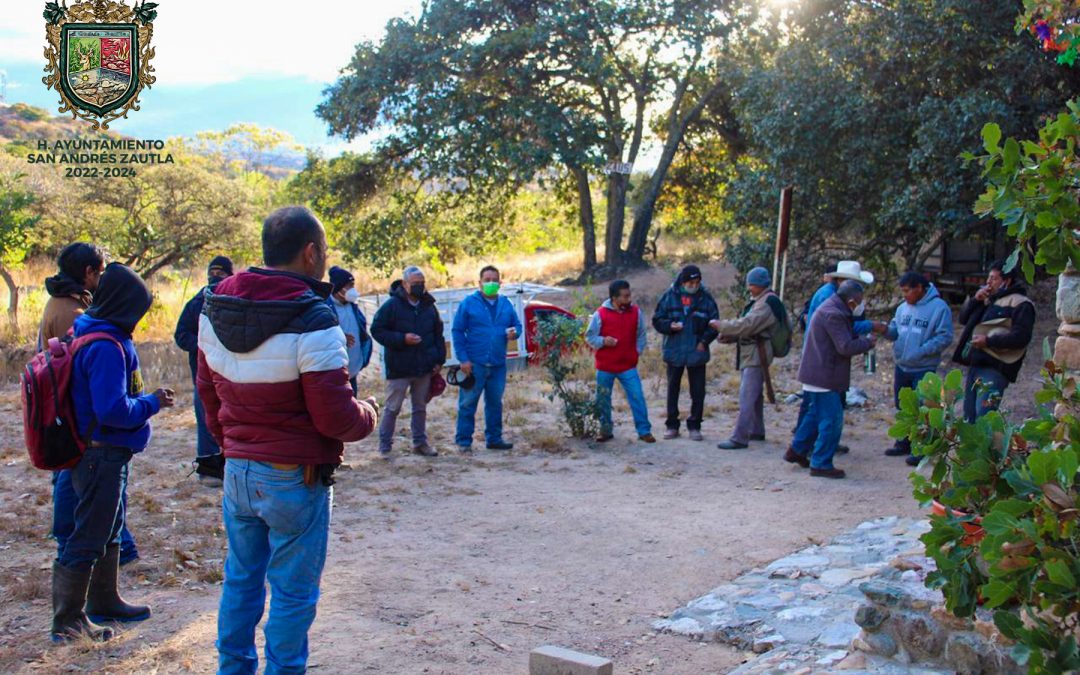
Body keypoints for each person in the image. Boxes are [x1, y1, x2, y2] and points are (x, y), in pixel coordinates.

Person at [197, 206, 379, 674]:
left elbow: (207, 394)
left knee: (240, 581)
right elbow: (336, 417)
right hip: (294, 478)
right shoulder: (315, 317)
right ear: (311, 253)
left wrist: (233, 443)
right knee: (293, 593)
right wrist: (370, 415)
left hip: (238, 471)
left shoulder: (214, 304)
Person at [52, 263, 174, 642]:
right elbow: (113, 410)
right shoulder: (105, 345)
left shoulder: (91, 330)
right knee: (89, 533)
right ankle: (68, 622)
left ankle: (104, 600)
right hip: (100, 455)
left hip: (102, 454)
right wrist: (152, 403)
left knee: (108, 528)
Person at [42, 244, 141, 568]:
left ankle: (104, 590)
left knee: (97, 521)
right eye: (98, 271)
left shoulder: (73, 309)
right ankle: (71, 609)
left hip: (77, 429)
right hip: (83, 433)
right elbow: (109, 406)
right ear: (88, 272)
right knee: (82, 527)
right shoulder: (78, 318)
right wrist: (150, 404)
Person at [785, 280, 877, 479]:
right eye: (859, 301)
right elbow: (844, 346)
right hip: (823, 375)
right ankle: (821, 463)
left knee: (814, 416)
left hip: (816, 373)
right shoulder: (834, 313)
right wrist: (867, 343)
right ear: (851, 300)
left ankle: (797, 450)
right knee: (832, 420)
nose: (861, 306)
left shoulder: (833, 308)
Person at [793, 260, 887, 454]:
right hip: (824, 363)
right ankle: (819, 456)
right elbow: (843, 336)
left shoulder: (832, 297)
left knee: (814, 410)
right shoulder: (831, 301)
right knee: (829, 415)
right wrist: (869, 332)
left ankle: (798, 449)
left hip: (822, 361)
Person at [371, 266, 445, 457]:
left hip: (424, 367)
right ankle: (385, 447)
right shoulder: (391, 306)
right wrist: (402, 339)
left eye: (422, 283)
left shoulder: (429, 306)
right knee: (392, 408)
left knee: (420, 408)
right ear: (404, 284)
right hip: (399, 367)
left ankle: (420, 443)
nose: (419, 287)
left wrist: (439, 360)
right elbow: (377, 330)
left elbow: (438, 333)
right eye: (415, 284)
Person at [881, 272, 954, 465]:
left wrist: (922, 351)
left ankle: (921, 447)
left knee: (924, 408)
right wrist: (883, 331)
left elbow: (945, 336)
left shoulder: (939, 308)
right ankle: (903, 441)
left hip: (924, 367)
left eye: (907, 291)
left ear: (919, 288)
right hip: (902, 365)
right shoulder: (902, 309)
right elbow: (895, 330)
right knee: (903, 405)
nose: (904, 295)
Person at [174, 256, 234, 486]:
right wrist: (203, 347)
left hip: (232, 375)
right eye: (213, 272)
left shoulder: (237, 301)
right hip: (203, 374)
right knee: (207, 420)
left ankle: (232, 469)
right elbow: (181, 335)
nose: (215, 276)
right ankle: (209, 471)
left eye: (221, 273)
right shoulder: (196, 302)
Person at [952, 260, 1036, 423]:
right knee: (969, 417)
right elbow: (963, 319)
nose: (988, 283)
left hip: (996, 368)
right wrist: (975, 301)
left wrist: (989, 341)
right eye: (988, 278)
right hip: (976, 364)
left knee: (985, 417)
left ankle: (990, 449)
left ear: (1006, 281)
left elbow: (1021, 337)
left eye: (993, 279)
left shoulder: (1021, 304)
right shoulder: (987, 299)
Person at [452, 265, 522, 452]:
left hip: (498, 363)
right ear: (480, 282)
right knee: (467, 403)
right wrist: (463, 359)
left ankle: (494, 439)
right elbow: (457, 331)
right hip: (475, 363)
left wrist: (515, 333)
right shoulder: (468, 303)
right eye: (487, 279)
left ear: (500, 283)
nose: (490, 283)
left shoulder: (505, 303)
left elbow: (517, 325)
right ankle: (464, 442)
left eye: (494, 280)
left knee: (494, 403)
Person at [710, 267, 781, 450]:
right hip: (752, 352)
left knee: (747, 396)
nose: (749, 288)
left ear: (758, 284)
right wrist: (731, 336)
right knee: (755, 395)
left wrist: (722, 326)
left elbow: (748, 325)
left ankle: (739, 437)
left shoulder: (767, 303)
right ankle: (757, 430)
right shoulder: (763, 300)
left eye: (751, 284)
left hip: (758, 354)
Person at [652, 264, 720, 441]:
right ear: (683, 281)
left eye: (697, 282)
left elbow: (714, 323)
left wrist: (704, 341)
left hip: (697, 353)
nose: (694, 285)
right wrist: (669, 326)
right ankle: (672, 425)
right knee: (672, 389)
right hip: (674, 351)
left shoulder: (706, 299)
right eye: (691, 282)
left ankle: (695, 425)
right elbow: (657, 319)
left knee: (698, 391)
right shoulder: (669, 296)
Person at [584, 280, 655, 443]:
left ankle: (644, 431)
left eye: (629, 295)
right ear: (614, 298)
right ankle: (605, 430)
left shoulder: (636, 312)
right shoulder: (600, 314)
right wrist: (603, 341)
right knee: (603, 399)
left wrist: (637, 352)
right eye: (625, 296)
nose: (629, 299)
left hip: (628, 365)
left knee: (637, 396)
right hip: (605, 366)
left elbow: (641, 334)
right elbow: (589, 337)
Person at [327, 265, 374, 396]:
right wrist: (341, 338)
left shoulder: (353, 306)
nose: (352, 290)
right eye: (349, 286)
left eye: (353, 285)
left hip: (352, 372)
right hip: (335, 374)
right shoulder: (325, 308)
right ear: (338, 288)